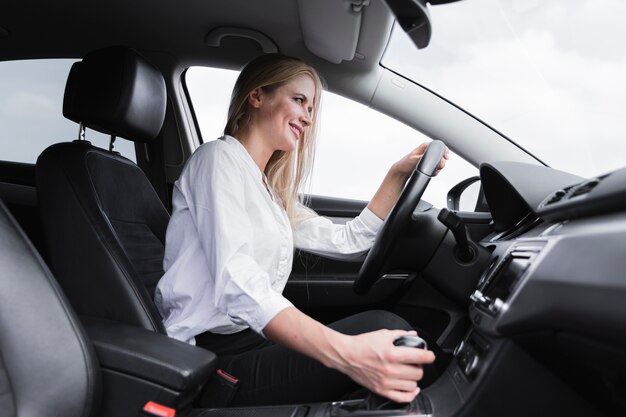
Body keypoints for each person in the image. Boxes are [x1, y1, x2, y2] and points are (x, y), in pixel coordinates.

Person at [154, 54, 448, 407]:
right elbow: (237, 281)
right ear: (257, 96)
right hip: (211, 360)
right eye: (299, 100)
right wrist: (346, 352)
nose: (308, 117)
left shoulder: (267, 190)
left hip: (252, 340)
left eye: (312, 108)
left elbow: (348, 240)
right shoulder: (216, 160)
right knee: (385, 330)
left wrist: (396, 175)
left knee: (401, 334)